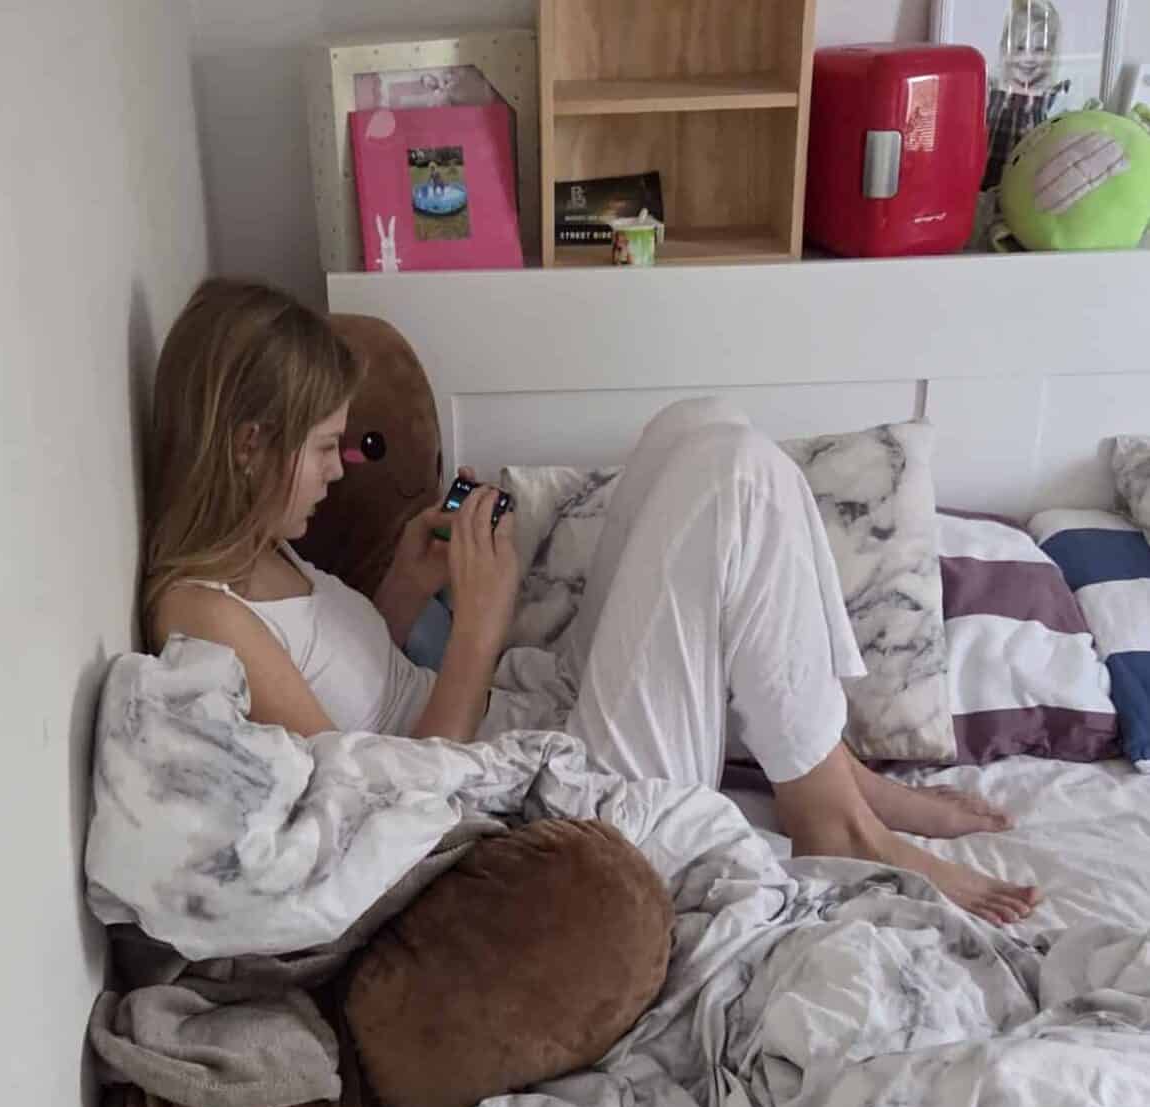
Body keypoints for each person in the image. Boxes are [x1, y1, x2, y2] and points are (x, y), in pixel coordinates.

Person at [143, 278, 1041, 927]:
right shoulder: (204, 614)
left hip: (524, 723)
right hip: (548, 809)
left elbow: (356, 695)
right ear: (250, 446)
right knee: (731, 477)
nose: (337, 472)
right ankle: (833, 820)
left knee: (698, 425)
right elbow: (379, 808)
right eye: (322, 448)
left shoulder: (260, 549)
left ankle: (832, 769)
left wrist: (407, 588)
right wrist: (478, 632)